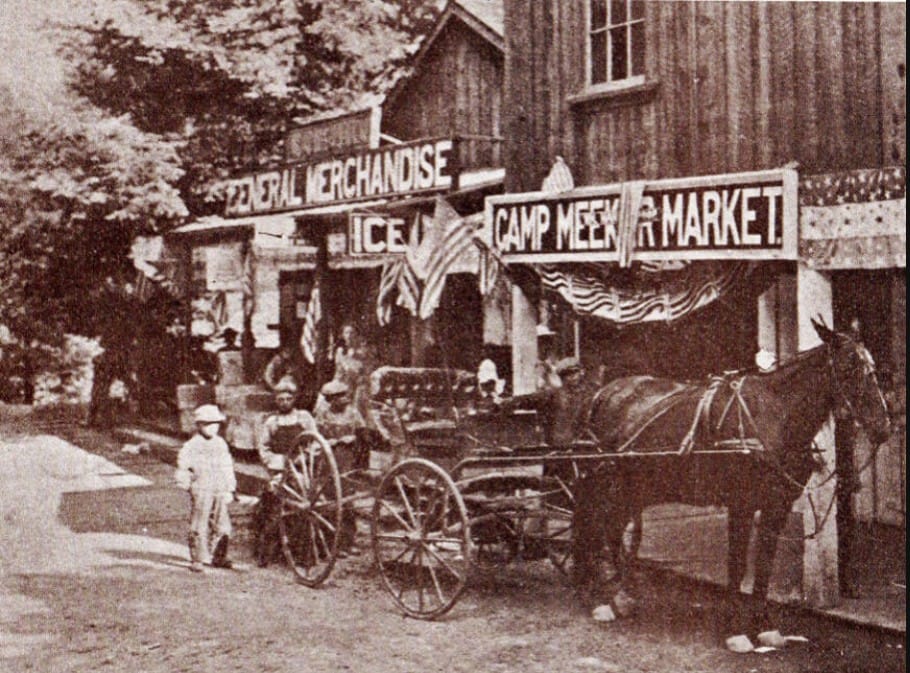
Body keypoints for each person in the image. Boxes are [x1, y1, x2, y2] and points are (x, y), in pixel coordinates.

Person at [253, 377, 318, 566]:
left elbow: (315, 440)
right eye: (280, 399)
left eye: (288, 399)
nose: (284, 403)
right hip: (280, 468)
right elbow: (263, 447)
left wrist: (304, 457)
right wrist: (277, 463)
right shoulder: (271, 422)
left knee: (304, 508)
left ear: (294, 399)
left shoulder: (304, 417)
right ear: (276, 400)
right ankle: (267, 554)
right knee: (275, 508)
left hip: (301, 467)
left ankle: (303, 555)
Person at [175, 404, 236, 572]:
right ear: (199, 425)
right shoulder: (192, 445)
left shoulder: (221, 444)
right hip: (201, 486)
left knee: (222, 522)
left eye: (216, 424)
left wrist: (230, 488)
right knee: (199, 522)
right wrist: (185, 481)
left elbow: (227, 466)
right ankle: (198, 558)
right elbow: (183, 465)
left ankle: (219, 555)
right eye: (208, 424)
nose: (212, 428)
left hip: (219, 486)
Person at [314, 379, 369, 556]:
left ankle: (349, 542)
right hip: (330, 459)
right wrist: (334, 441)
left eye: (344, 395)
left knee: (348, 502)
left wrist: (360, 457)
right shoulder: (323, 414)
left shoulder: (353, 413)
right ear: (330, 399)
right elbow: (315, 437)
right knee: (331, 501)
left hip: (348, 459)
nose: (343, 399)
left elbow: (363, 436)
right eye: (338, 397)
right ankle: (333, 544)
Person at [501, 357, 590, 446]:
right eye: (566, 375)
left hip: (587, 444)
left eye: (575, 373)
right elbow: (528, 399)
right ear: (561, 377)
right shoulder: (553, 394)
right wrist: (507, 402)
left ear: (581, 373)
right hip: (561, 446)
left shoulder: (591, 394)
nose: (572, 377)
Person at [534, 324, 562, 391]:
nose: (547, 346)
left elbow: (558, 385)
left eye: (548, 342)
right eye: (541, 342)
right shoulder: (529, 364)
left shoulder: (550, 364)